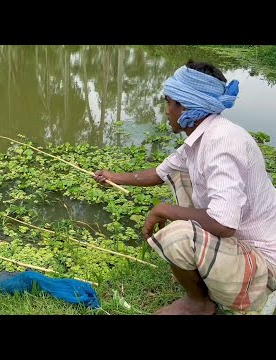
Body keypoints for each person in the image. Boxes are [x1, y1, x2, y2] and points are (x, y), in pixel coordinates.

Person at [93, 59, 276, 315]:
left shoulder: (222, 144)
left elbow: (223, 224)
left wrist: (164, 210)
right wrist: (114, 176)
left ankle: (198, 304)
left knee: (177, 236)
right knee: (181, 175)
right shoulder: (205, 136)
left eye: (169, 103)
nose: (167, 111)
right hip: (238, 244)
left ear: (186, 106)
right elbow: (161, 173)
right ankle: (207, 284)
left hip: (265, 266)